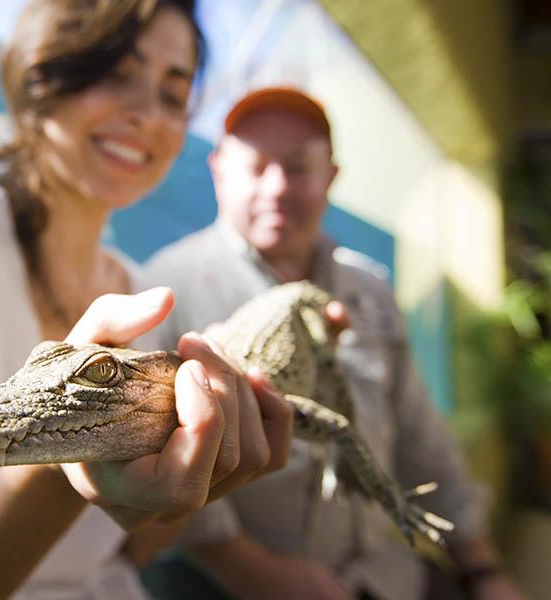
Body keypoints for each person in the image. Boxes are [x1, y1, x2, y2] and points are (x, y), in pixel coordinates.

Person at [0, 3, 294, 599]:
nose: (147, 116)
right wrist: (66, 451)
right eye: (118, 74)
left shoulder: (143, 291)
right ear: (42, 72)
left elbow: (135, 544)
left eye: (173, 96)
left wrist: (198, 483)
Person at [143, 86, 525, 600]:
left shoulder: (367, 288)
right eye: (256, 166)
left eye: (299, 166)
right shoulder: (167, 289)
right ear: (219, 172)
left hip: (384, 576)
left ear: (331, 177)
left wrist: (480, 568)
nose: (277, 187)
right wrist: (252, 571)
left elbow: (419, 436)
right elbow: (154, 469)